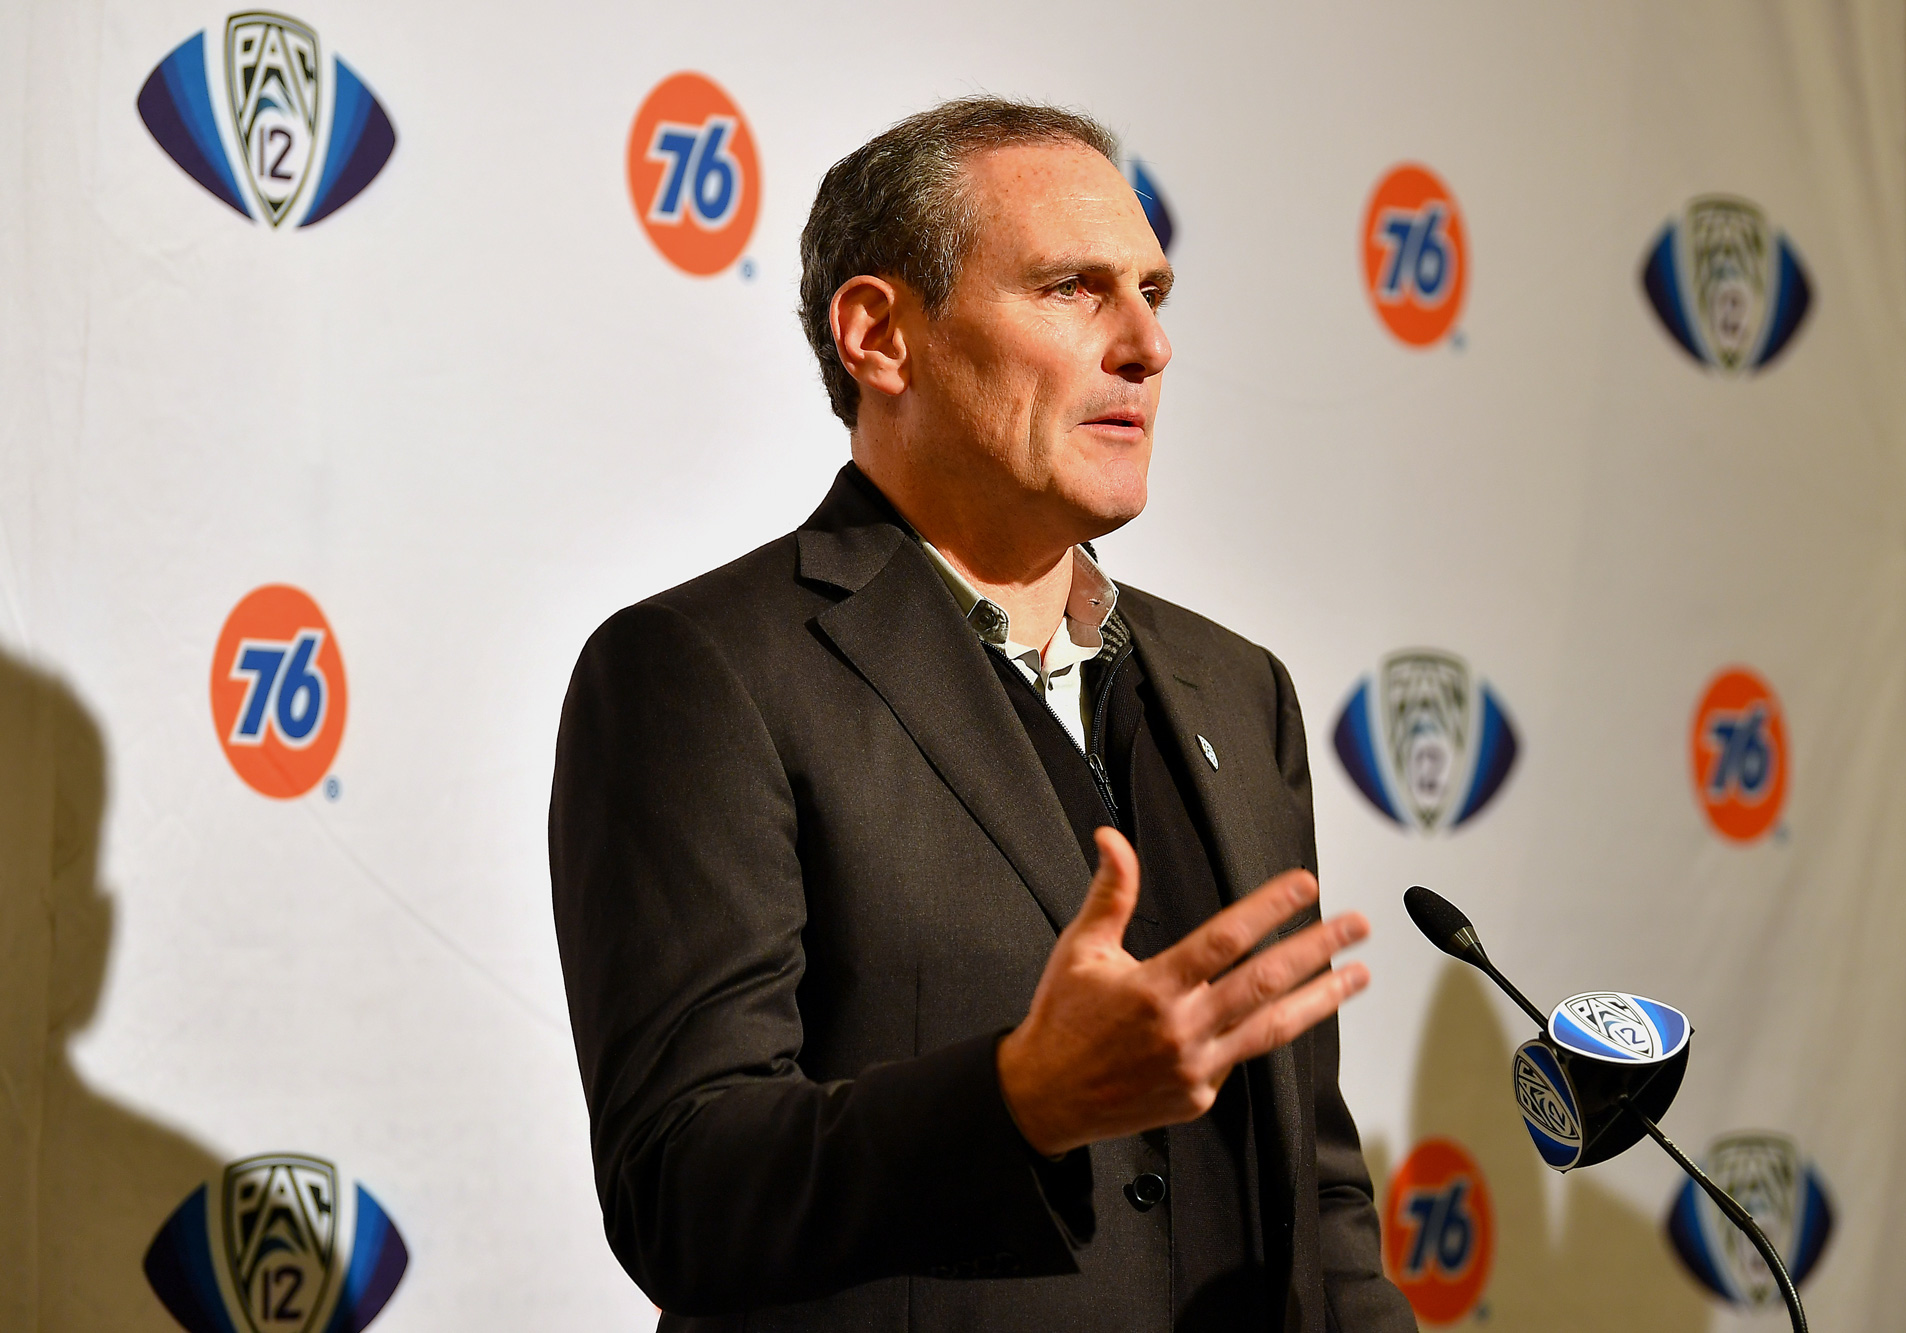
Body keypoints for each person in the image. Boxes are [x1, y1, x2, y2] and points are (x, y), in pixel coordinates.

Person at [550, 97, 1416, 1333]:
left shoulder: (1238, 688)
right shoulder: (701, 670)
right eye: (1071, 288)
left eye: (1152, 293)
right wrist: (1019, 1100)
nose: (1145, 345)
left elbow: (1315, 1186)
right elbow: (680, 1186)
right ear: (879, 335)